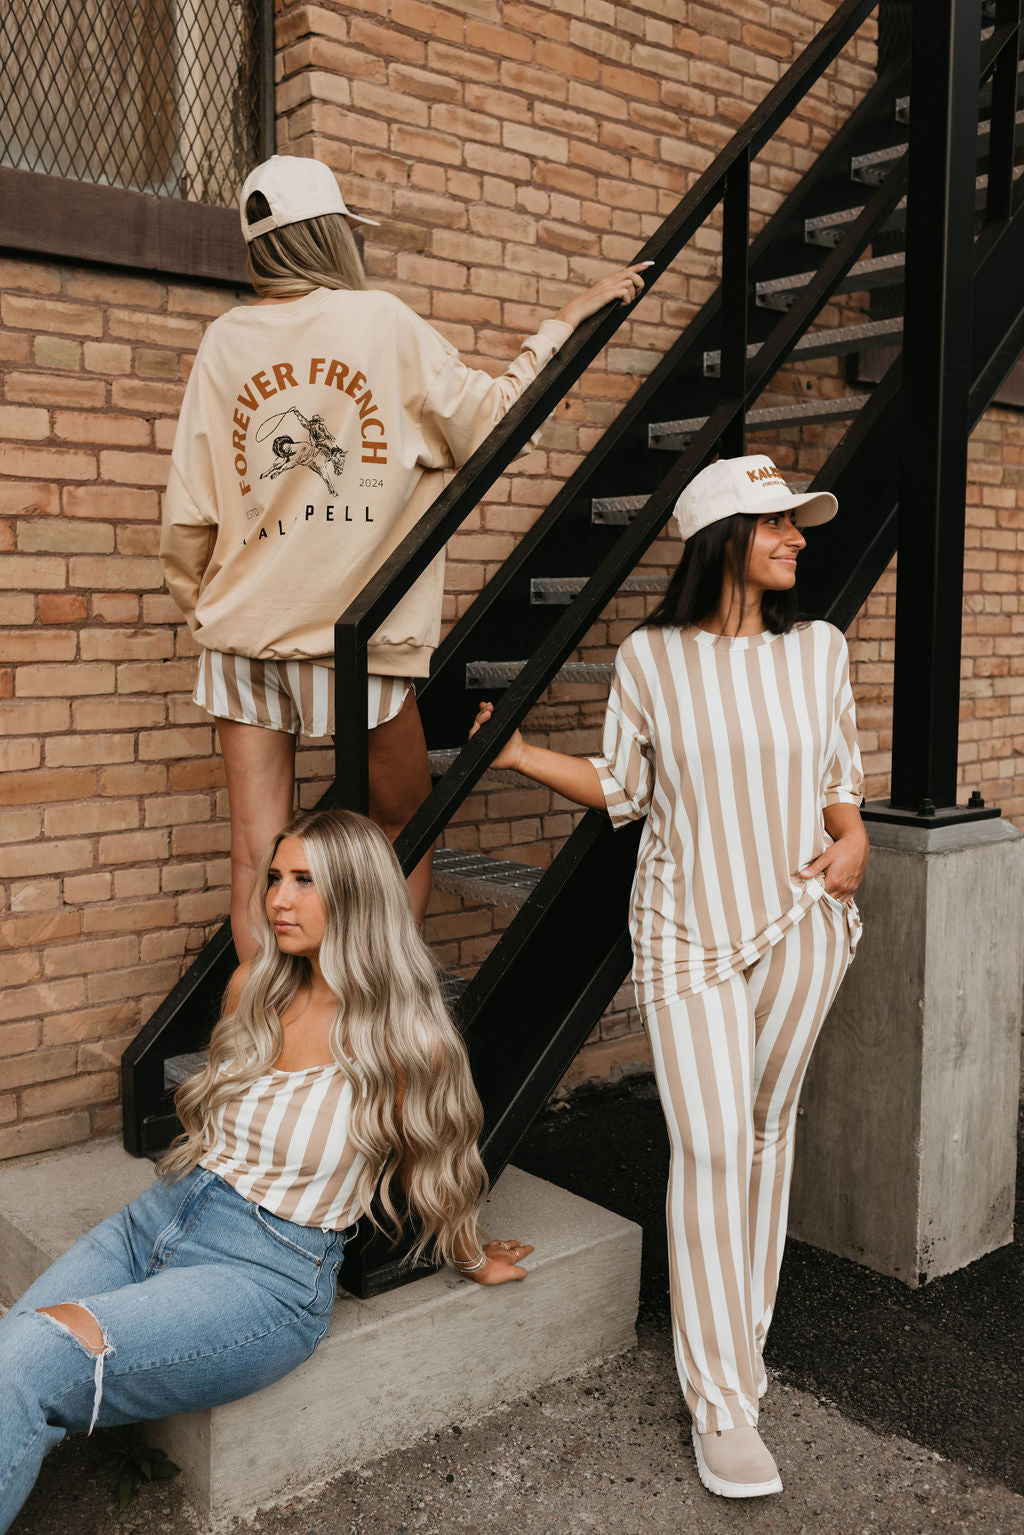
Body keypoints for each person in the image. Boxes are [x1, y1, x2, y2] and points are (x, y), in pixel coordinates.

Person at [471, 454, 868, 1500]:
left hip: (799, 921)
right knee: (705, 1142)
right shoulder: (650, 657)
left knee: (764, 1132)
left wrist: (854, 836)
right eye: (776, 522)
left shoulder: (820, 650)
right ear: (721, 538)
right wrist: (513, 755)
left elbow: (835, 778)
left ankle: (743, 1339)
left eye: (798, 522)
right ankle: (722, 1403)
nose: (797, 537)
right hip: (685, 929)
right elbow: (624, 785)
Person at [160, 152, 650, 958]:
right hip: (356, 640)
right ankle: (367, 1009)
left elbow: (188, 515)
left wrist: (204, 601)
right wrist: (561, 321)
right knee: (402, 825)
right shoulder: (380, 322)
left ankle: (269, 1049)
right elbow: (491, 418)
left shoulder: (224, 341)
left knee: (258, 855)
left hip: (241, 635)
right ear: (331, 237)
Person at [0, 809, 529, 1533]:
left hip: (263, 1276)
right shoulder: (256, 984)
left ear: (357, 895)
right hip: (155, 1219)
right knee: (10, 1358)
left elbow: (438, 1169)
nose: (277, 898)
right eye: (276, 877)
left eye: (305, 881)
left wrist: (471, 1254)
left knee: (32, 1355)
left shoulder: (409, 1040)